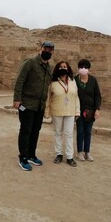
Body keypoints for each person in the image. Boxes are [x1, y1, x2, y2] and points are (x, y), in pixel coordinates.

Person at [13, 41, 55, 171]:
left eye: (50, 50)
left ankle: (31, 154)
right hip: (26, 104)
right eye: (45, 49)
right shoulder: (30, 63)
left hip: (40, 106)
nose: (47, 51)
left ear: (52, 52)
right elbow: (20, 81)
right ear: (40, 49)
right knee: (26, 130)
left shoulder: (49, 68)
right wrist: (17, 99)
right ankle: (23, 158)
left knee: (36, 131)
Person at [45, 61, 80, 167]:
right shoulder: (53, 82)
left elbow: (76, 97)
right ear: (57, 69)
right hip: (57, 111)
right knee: (58, 133)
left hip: (70, 111)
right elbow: (48, 98)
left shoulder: (73, 81)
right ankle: (59, 154)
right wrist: (47, 112)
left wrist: (77, 111)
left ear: (68, 69)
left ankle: (70, 157)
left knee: (69, 134)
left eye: (65, 67)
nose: (63, 68)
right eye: (61, 67)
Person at [74, 59, 102, 162]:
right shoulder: (75, 80)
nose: (83, 69)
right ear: (78, 68)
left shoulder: (93, 80)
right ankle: (79, 152)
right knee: (80, 131)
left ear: (89, 69)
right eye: (81, 67)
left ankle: (87, 152)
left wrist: (97, 109)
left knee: (88, 132)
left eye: (85, 67)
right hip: (79, 110)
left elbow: (97, 95)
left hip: (90, 111)